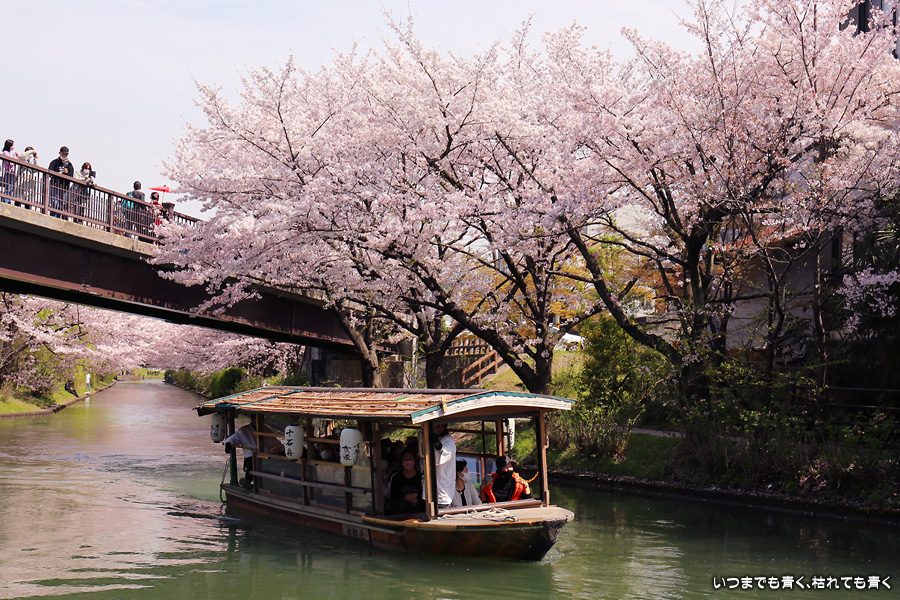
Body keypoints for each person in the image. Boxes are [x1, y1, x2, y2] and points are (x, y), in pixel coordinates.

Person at [223, 423, 283, 490]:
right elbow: (232, 439)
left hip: (267, 457)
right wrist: (228, 444)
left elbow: (277, 444)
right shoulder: (244, 431)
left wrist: (282, 450)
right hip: (251, 458)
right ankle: (247, 481)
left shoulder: (267, 430)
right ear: (252, 419)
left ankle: (275, 483)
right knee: (254, 461)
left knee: (278, 461)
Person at [386, 448, 425, 515]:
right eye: (405, 460)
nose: (408, 462)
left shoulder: (421, 477)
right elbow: (393, 499)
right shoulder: (396, 478)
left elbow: (426, 496)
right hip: (401, 514)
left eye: (410, 459)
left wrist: (416, 496)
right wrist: (406, 499)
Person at [432, 422, 456, 509]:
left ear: (440, 426)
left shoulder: (449, 440)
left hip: (443, 484)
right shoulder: (441, 438)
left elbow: (446, 452)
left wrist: (437, 444)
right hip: (433, 484)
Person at [48, 146, 74, 218]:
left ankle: (58, 216)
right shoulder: (54, 162)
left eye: (66, 154)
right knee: (54, 201)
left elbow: (71, 177)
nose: (65, 156)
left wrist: (66, 173)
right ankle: (53, 216)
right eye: (63, 154)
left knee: (61, 202)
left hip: (64, 187)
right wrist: (57, 173)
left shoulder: (69, 165)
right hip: (55, 184)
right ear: (60, 153)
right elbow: (50, 172)